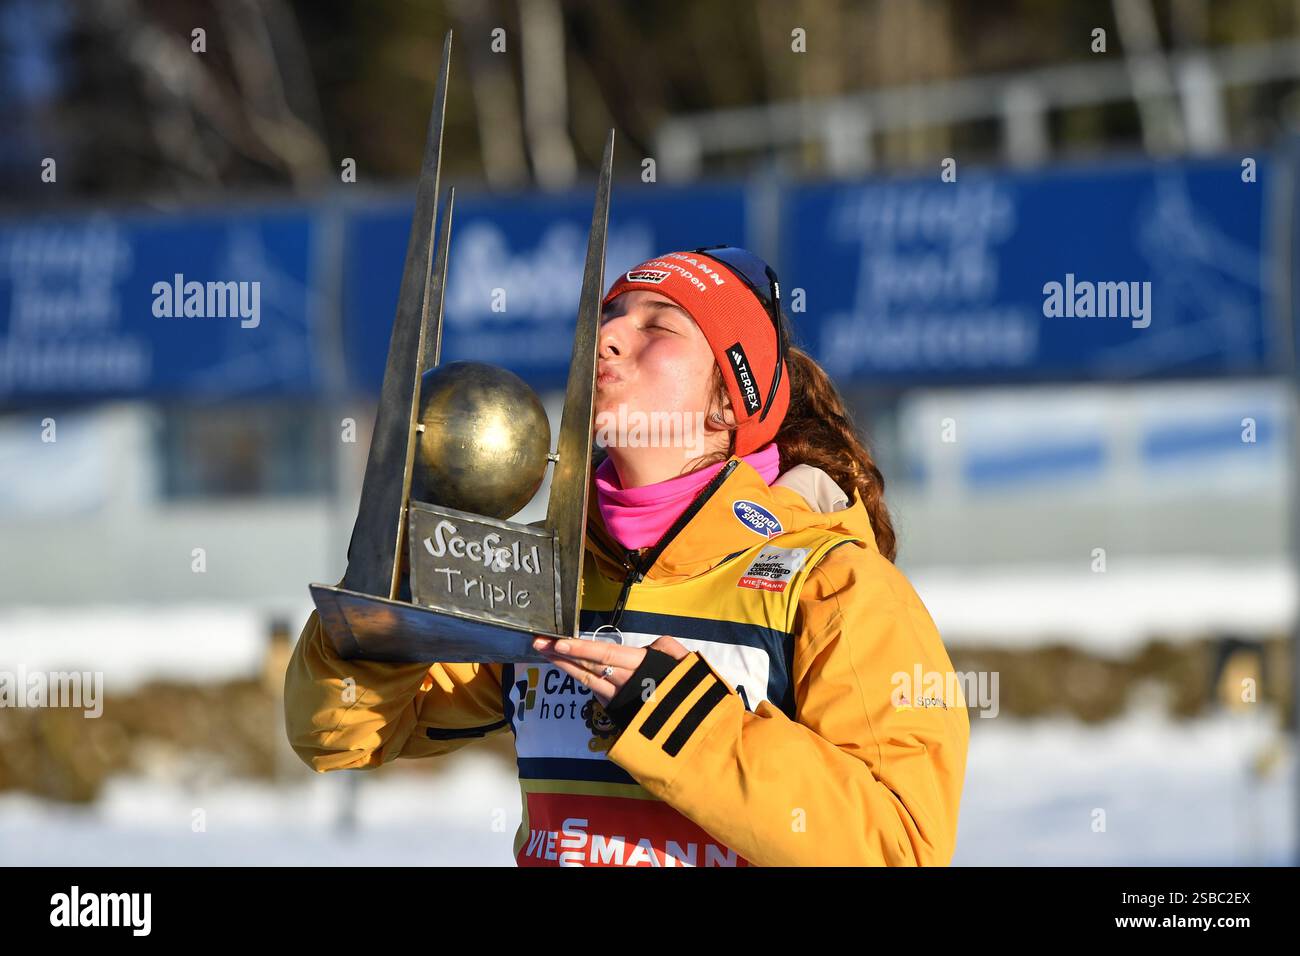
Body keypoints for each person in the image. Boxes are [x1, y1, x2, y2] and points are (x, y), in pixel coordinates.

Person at [284, 247, 969, 867]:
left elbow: (901, 847)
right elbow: (339, 734)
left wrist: (683, 723)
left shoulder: (834, 585)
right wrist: (388, 584)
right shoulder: (544, 574)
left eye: (658, 326)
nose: (607, 335)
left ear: (729, 402)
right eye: (609, 316)